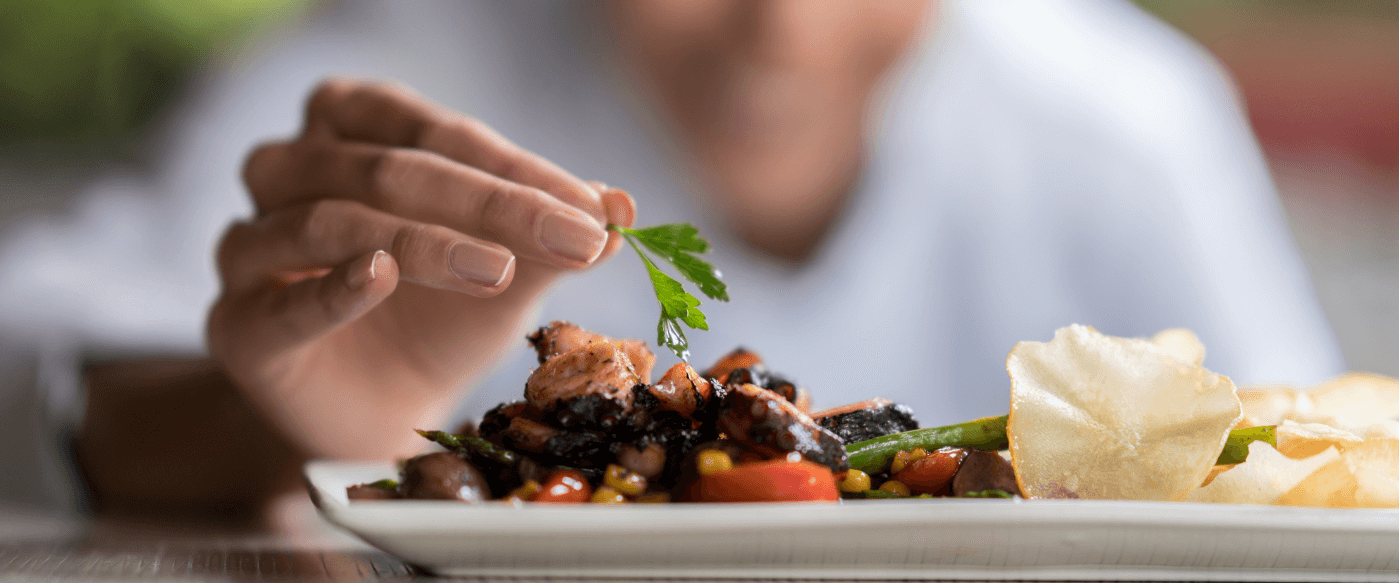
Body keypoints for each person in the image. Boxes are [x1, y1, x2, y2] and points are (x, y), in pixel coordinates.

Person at [3, 0, 1343, 519]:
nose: (785, 30)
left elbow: (1302, 467)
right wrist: (272, 427)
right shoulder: (391, 77)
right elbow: (40, 377)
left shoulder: (1124, 122)